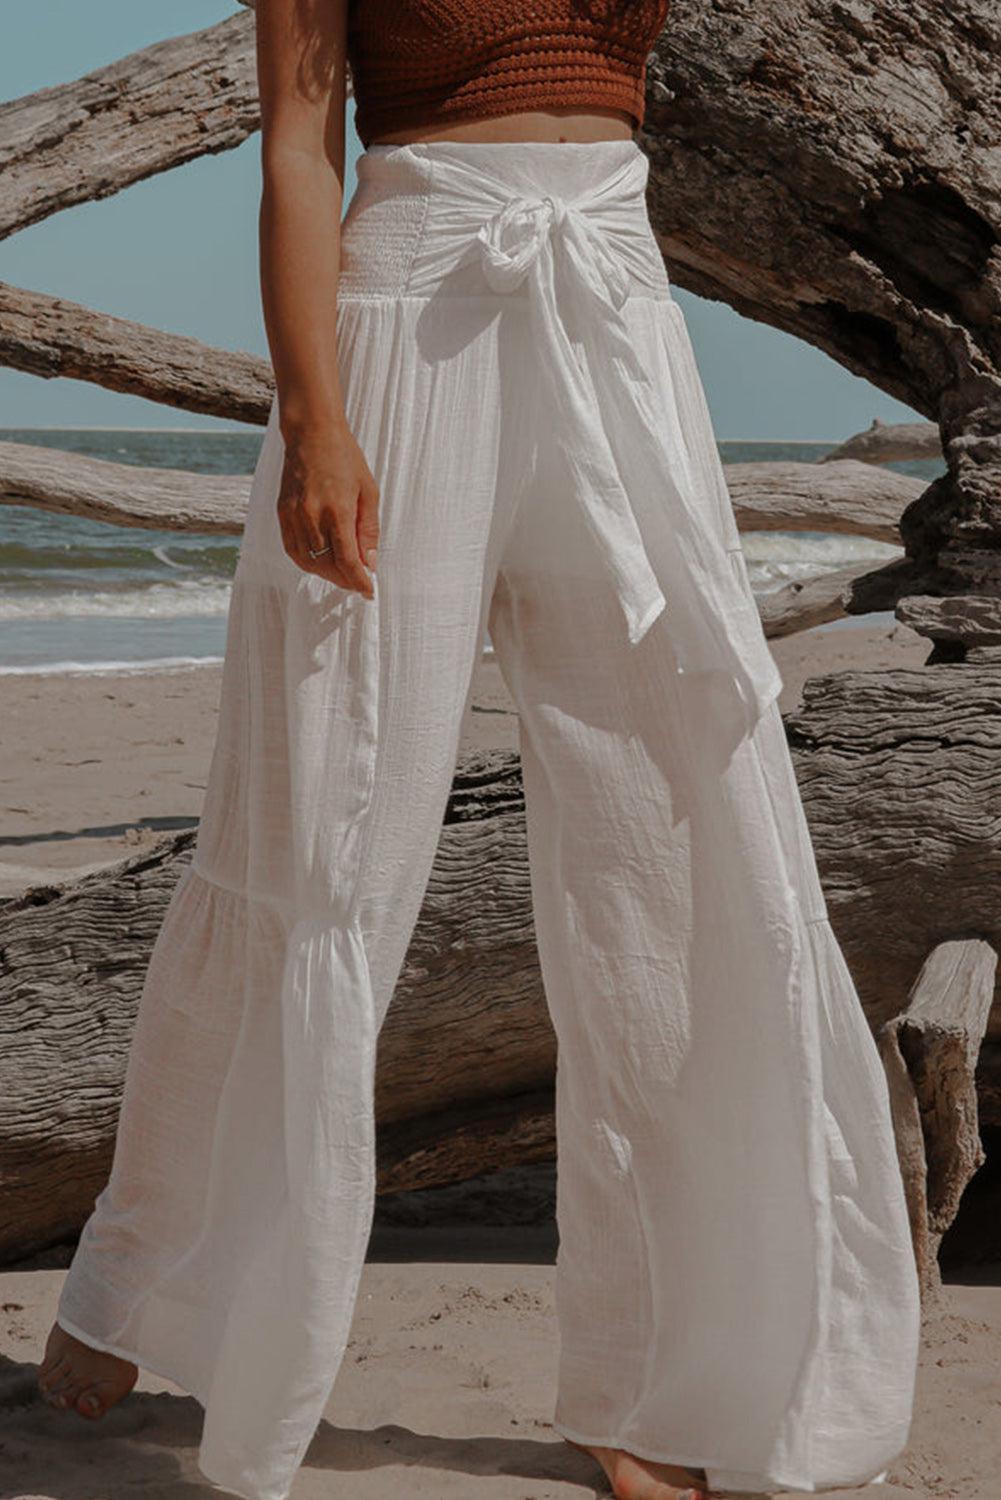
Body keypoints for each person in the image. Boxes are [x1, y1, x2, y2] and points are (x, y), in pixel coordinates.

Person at [36, 3, 923, 1498]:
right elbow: (300, 151)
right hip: (408, 318)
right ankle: (139, 1285)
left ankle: (649, 1380)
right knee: (311, 835)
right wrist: (316, 418)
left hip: (615, 309)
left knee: (678, 828)